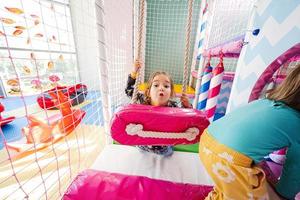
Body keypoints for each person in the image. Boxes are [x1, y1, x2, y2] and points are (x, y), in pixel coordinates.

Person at [199, 64, 300, 199]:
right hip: (229, 159)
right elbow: (295, 169)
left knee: (230, 189)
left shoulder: (265, 102)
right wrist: (285, 195)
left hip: (208, 141)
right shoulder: (296, 122)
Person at [125, 60, 192, 156]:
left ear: (171, 93)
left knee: (169, 154)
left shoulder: (173, 108)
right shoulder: (142, 101)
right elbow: (129, 90)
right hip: (142, 145)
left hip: (164, 148)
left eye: (166, 86)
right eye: (156, 85)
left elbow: (187, 119)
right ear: (148, 92)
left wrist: (187, 106)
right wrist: (134, 73)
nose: (161, 88)